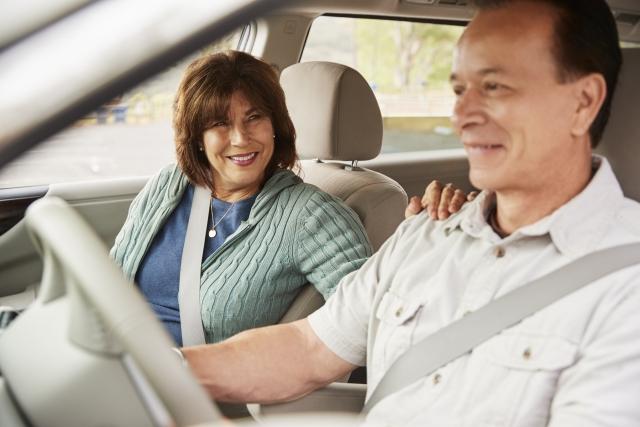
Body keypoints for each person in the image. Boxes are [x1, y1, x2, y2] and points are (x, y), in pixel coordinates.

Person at [180, 0, 640, 425]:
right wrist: (160, 370)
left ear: (582, 103)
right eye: (460, 89)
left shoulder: (625, 281)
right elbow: (309, 347)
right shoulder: (426, 235)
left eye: (495, 86)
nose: (463, 114)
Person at [110, 50, 465, 346]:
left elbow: (378, 320)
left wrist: (425, 253)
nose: (240, 138)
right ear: (196, 135)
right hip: (115, 360)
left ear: (276, 125)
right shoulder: (169, 184)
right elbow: (112, 280)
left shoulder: (311, 217)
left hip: (190, 398)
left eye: (254, 118)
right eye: (219, 123)